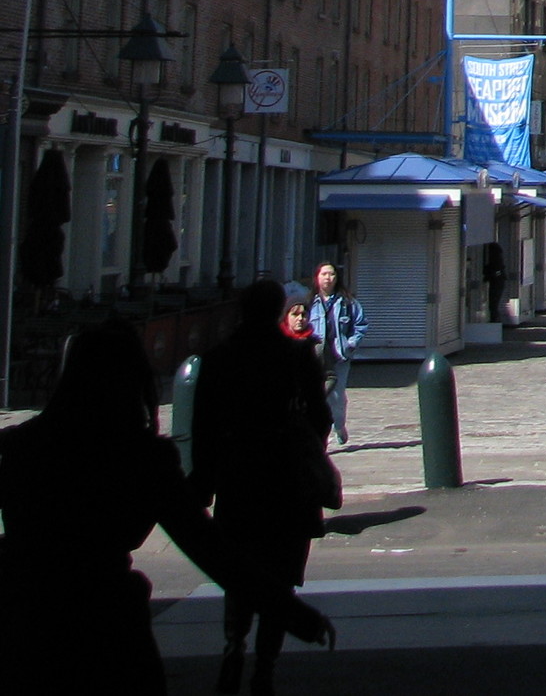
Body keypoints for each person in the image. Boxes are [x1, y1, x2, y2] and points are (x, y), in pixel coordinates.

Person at [0, 318, 332, 696]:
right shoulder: (142, 458)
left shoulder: (20, 446)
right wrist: (292, 613)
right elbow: (209, 548)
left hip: (23, 618)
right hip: (106, 624)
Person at [191, 280, 336, 695]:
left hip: (239, 478)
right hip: (287, 479)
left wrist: (204, 481)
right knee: (281, 573)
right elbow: (321, 417)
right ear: (277, 311)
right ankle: (265, 665)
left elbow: (202, 428)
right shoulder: (294, 357)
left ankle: (233, 646)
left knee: (240, 572)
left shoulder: (219, 359)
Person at [304, 264, 365, 451]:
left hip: (339, 356)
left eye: (331, 274)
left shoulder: (347, 302)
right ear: (316, 277)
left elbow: (361, 324)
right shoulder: (309, 302)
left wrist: (351, 343)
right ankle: (321, 434)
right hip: (316, 356)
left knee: (337, 395)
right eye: (324, 274)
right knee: (317, 395)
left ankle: (338, 425)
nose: (328, 278)